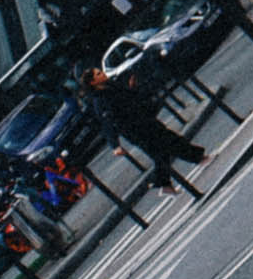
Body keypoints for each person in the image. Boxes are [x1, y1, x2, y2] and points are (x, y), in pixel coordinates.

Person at [84, 63, 208, 195]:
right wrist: (115, 145)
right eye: (98, 74)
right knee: (167, 144)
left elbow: (129, 97)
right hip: (135, 131)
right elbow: (107, 123)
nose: (102, 73)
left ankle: (164, 182)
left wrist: (132, 87)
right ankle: (197, 159)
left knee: (162, 151)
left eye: (100, 71)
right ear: (93, 82)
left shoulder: (111, 86)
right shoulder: (99, 100)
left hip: (144, 121)